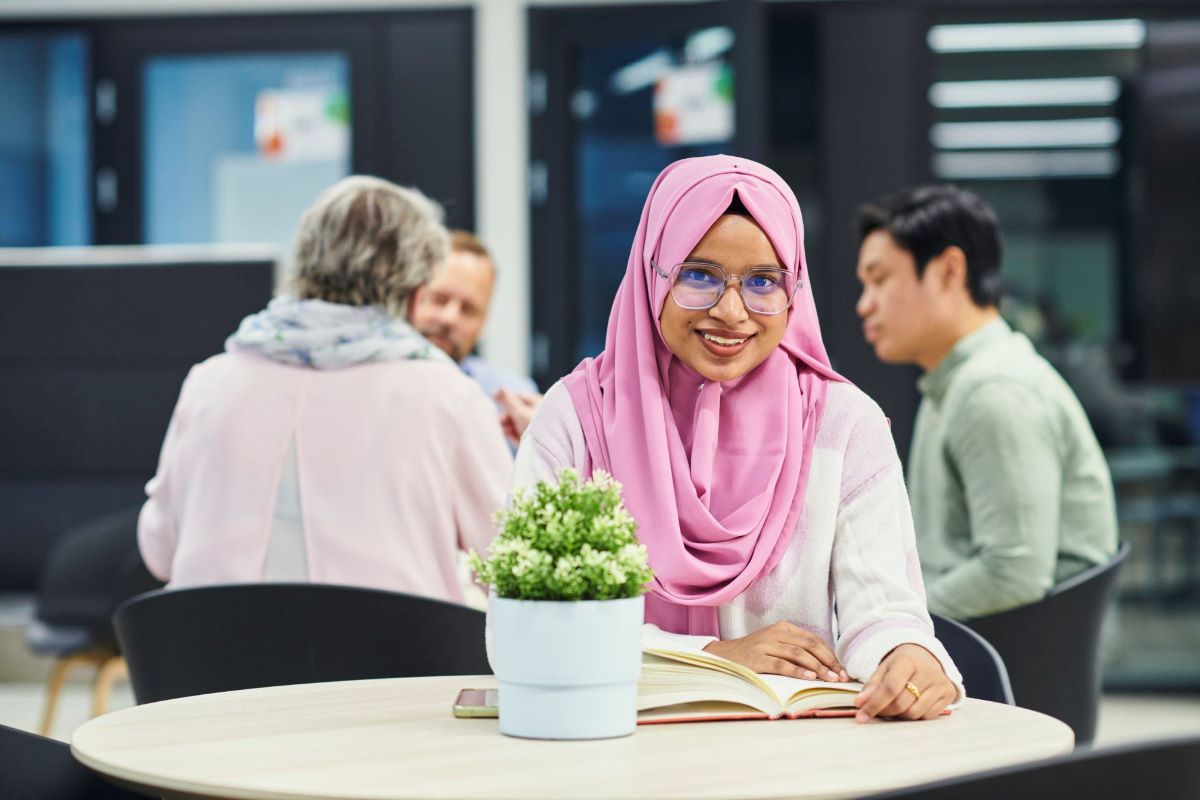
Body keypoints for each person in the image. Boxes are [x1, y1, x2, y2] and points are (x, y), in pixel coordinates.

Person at [512, 155, 963, 723]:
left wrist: (908, 654)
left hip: (788, 762)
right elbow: (527, 618)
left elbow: (882, 607)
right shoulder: (577, 419)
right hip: (608, 747)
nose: (732, 312)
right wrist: (714, 658)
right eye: (698, 275)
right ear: (655, 273)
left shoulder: (843, 424)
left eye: (763, 282)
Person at [138, 176, 512, 602]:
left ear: (302, 261)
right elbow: (510, 564)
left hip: (216, 660)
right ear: (415, 290)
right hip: (392, 660)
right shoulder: (450, 395)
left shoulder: (209, 382)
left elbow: (159, 551)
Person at [855, 184, 1118, 620]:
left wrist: (889, 624)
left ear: (948, 271)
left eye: (879, 279)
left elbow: (1012, 572)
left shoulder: (993, 392)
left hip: (1007, 663)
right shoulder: (957, 382)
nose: (864, 305)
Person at [408, 230, 541, 443]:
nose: (449, 318)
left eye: (468, 309)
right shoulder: (370, 386)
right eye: (439, 299)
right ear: (412, 296)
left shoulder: (514, 402)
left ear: (483, 322)